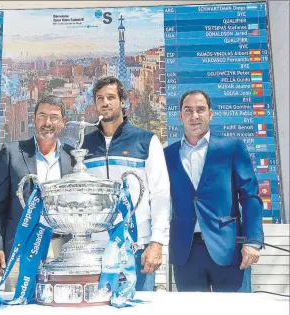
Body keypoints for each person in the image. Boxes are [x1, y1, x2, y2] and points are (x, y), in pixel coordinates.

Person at [164, 90, 264, 292]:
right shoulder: (167, 155)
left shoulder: (231, 148)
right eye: (188, 110)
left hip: (229, 250)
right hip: (186, 252)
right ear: (180, 116)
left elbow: (250, 196)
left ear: (210, 114)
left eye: (200, 109)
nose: (195, 116)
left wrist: (253, 241)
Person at [81, 76, 171, 291]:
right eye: (100, 98)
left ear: (123, 101)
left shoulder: (146, 140)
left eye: (111, 97)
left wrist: (157, 242)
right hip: (97, 247)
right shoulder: (84, 145)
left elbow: (160, 194)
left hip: (137, 246)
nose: (105, 102)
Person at [0, 95, 74, 279]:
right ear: (34, 119)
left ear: (62, 122)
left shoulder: (72, 157)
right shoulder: (12, 152)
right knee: (18, 305)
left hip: (62, 249)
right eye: (42, 116)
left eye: (54, 117)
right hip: (21, 247)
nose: (47, 122)